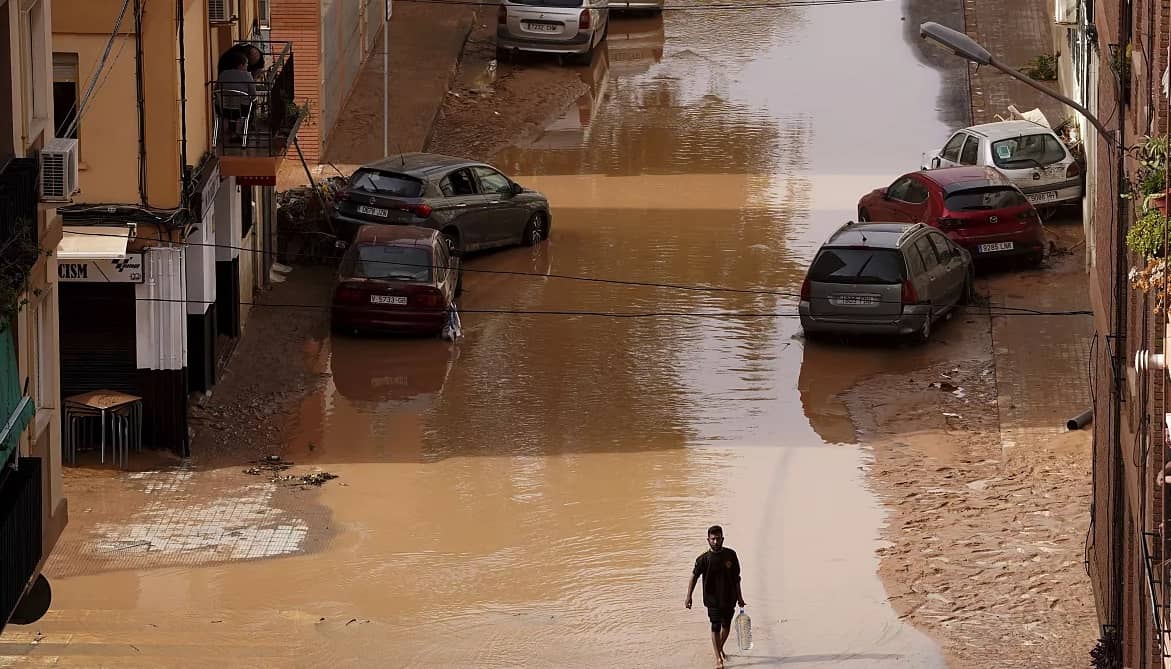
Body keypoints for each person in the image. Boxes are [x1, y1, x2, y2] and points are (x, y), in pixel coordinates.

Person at [685, 525, 745, 668]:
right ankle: (718, 659)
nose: (716, 542)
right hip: (712, 600)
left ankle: (719, 648)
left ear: (722, 539)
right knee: (715, 627)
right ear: (708, 540)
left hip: (729, 598)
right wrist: (689, 596)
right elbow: (693, 577)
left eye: (718, 539)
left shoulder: (731, 555)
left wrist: (740, 597)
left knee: (727, 626)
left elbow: (737, 578)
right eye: (713, 539)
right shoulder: (703, 559)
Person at [216, 52, 256, 143]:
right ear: (241, 65)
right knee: (250, 107)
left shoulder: (223, 74)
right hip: (241, 109)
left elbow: (216, 89)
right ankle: (239, 132)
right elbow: (253, 94)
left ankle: (226, 134)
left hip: (223, 109)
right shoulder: (247, 75)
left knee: (230, 112)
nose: (247, 67)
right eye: (246, 64)